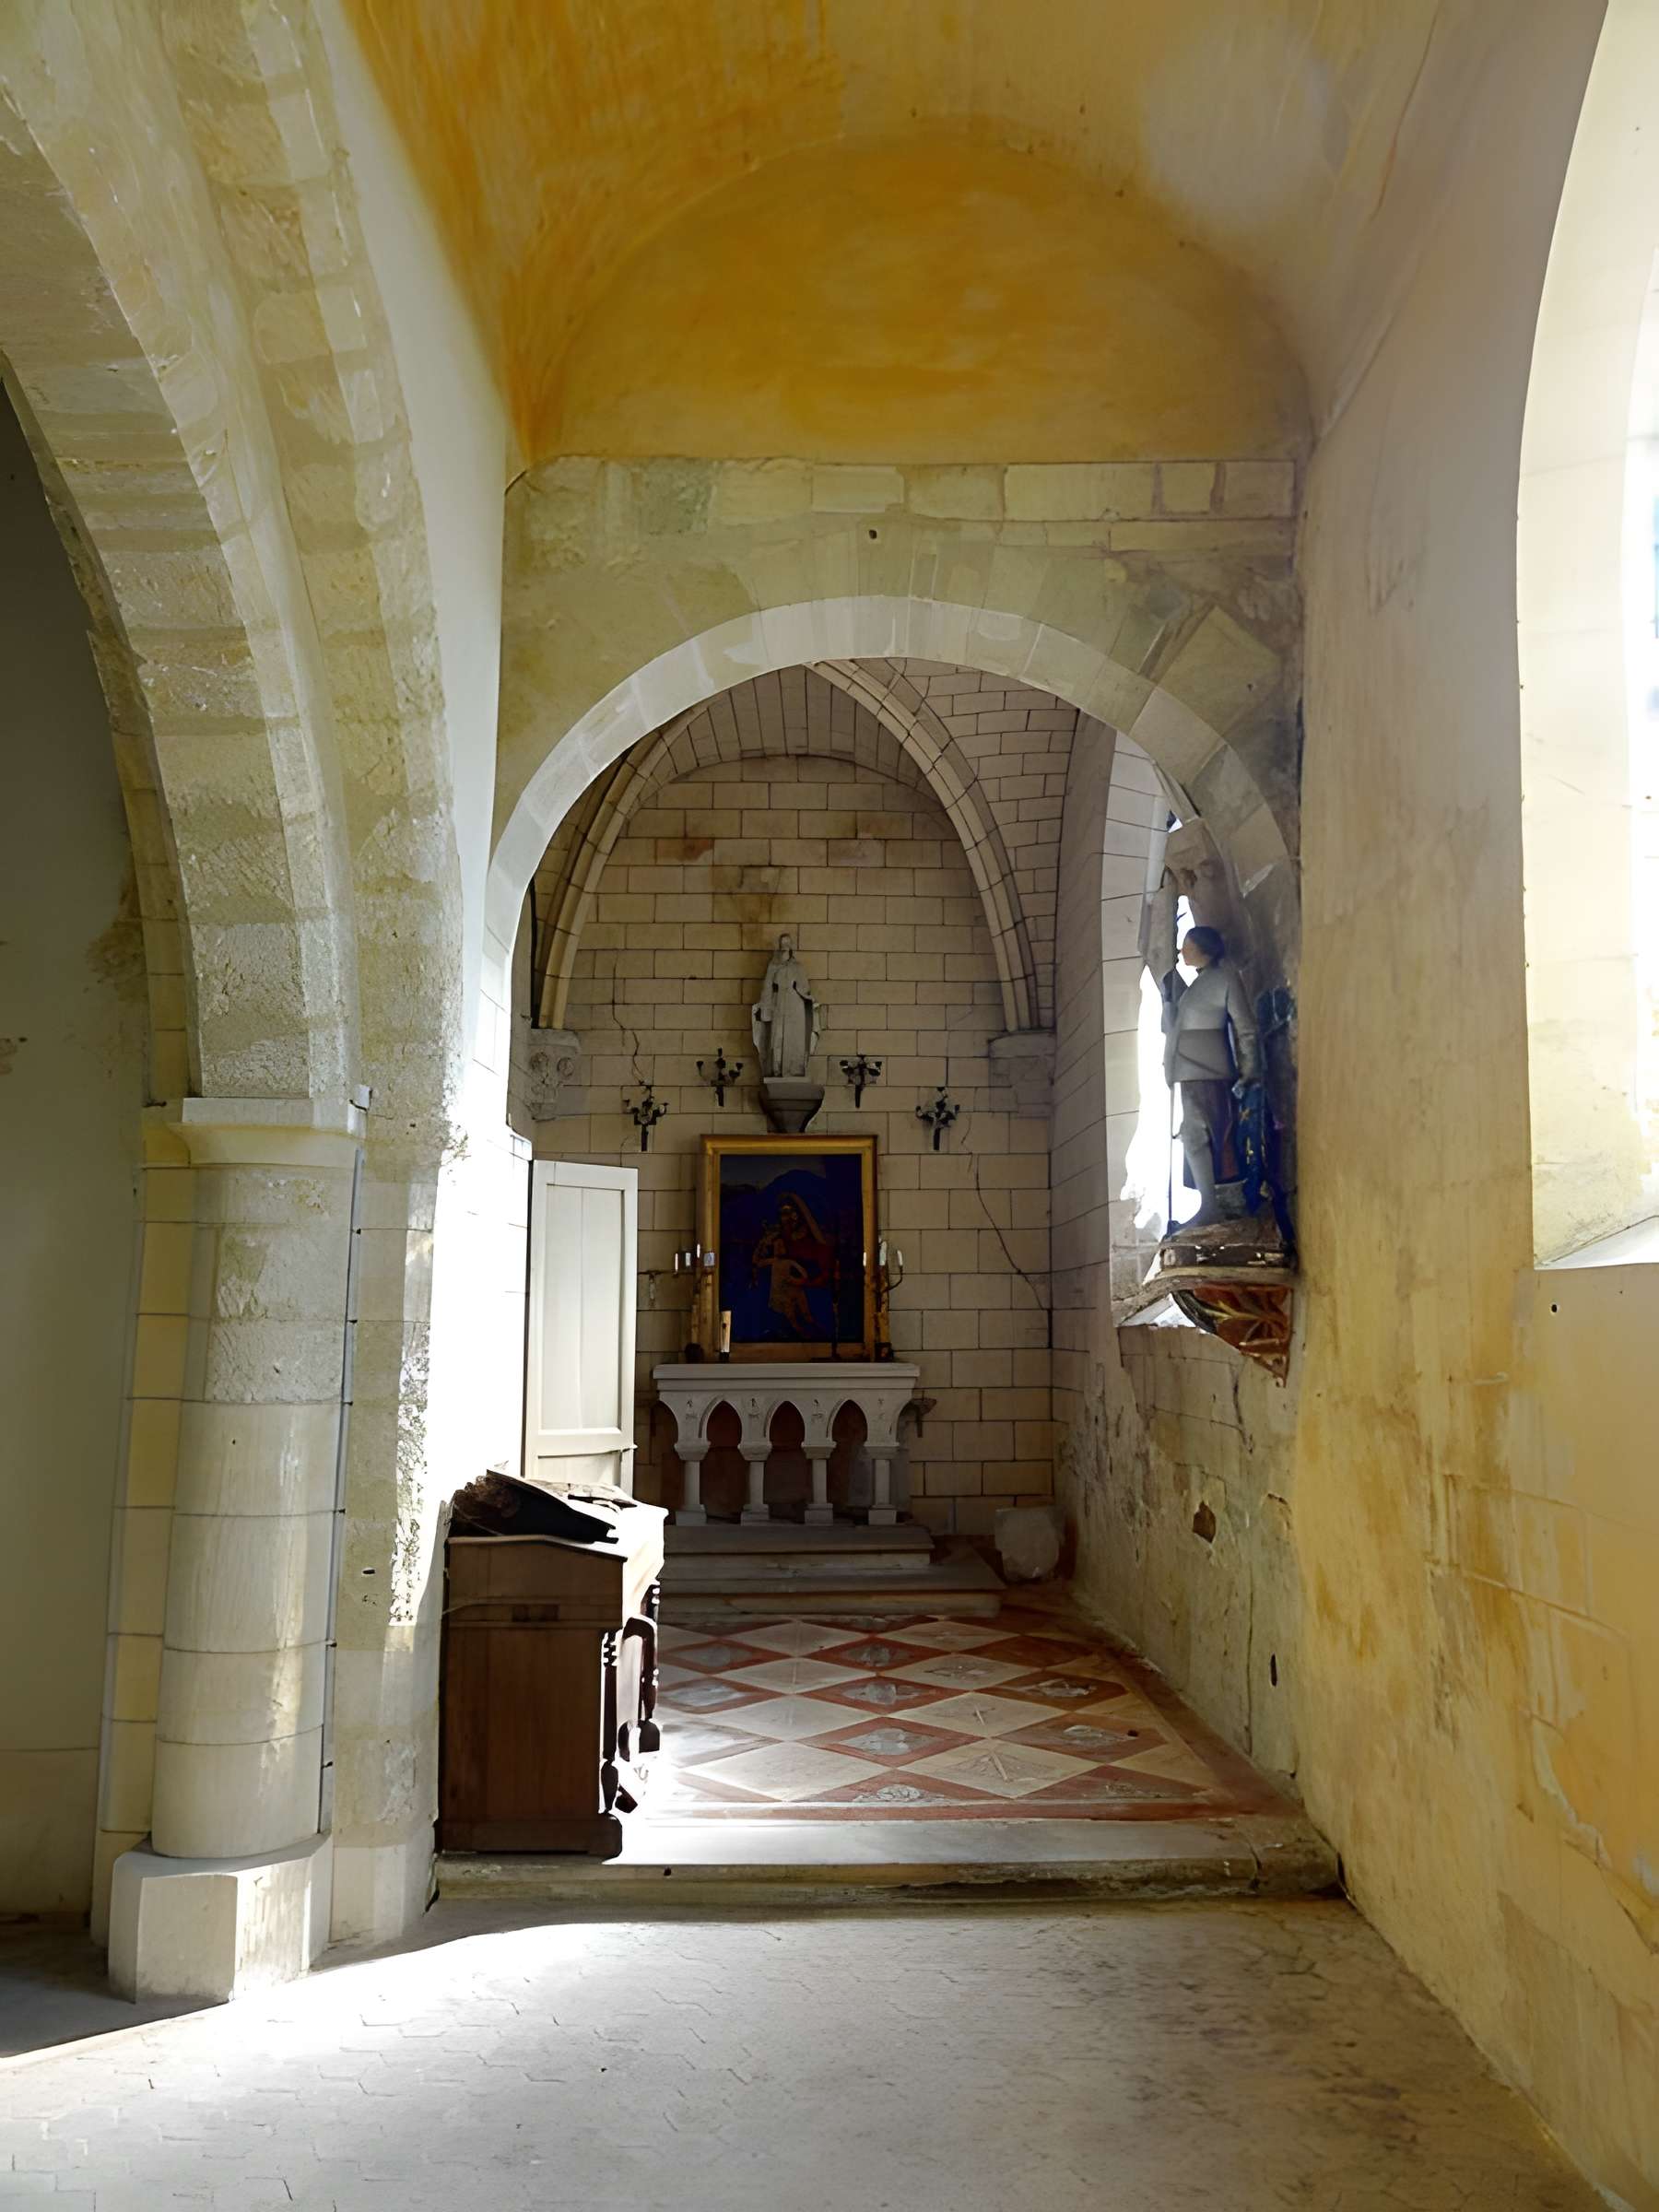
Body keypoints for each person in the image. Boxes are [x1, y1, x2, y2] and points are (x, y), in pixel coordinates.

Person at [1161, 921, 1260, 1225]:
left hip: (1209, 1070)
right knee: (1193, 1135)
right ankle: (1209, 1203)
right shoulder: (1196, 985)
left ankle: (1214, 1204)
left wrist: (1250, 1068)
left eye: (1188, 945)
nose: (1183, 951)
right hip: (1189, 1070)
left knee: (1208, 1135)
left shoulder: (1224, 979)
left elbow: (1245, 1028)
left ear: (1203, 948)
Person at [750, 1191, 833, 1337]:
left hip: (811, 1287)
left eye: (791, 1214)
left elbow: (824, 1272)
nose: (788, 1219)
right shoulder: (779, 1241)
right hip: (786, 1290)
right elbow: (759, 1261)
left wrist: (804, 1282)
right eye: (783, 1214)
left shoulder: (814, 1243)